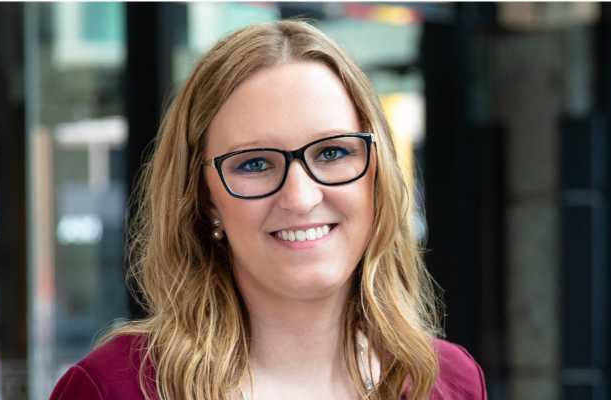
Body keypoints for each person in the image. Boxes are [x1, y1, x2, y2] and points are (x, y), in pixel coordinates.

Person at [49, 19, 484, 400]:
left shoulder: (449, 382)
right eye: (254, 164)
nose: (300, 197)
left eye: (332, 153)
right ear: (204, 198)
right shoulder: (111, 390)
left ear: (378, 174)